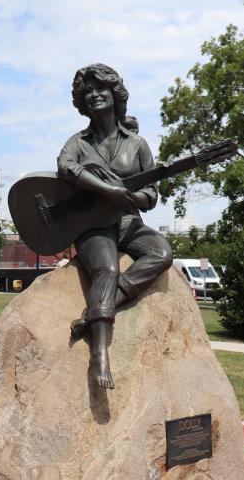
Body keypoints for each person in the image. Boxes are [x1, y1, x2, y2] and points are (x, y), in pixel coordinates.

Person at [57, 63, 173, 389]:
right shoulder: (79, 143)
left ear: (114, 94)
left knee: (161, 253)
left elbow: (151, 196)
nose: (94, 95)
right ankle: (99, 353)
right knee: (107, 269)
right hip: (92, 225)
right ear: (82, 101)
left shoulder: (138, 144)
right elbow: (65, 167)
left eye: (101, 89)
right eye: (88, 91)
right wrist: (108, 190)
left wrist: (132, 198)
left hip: (127, 222)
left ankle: (93, 314)